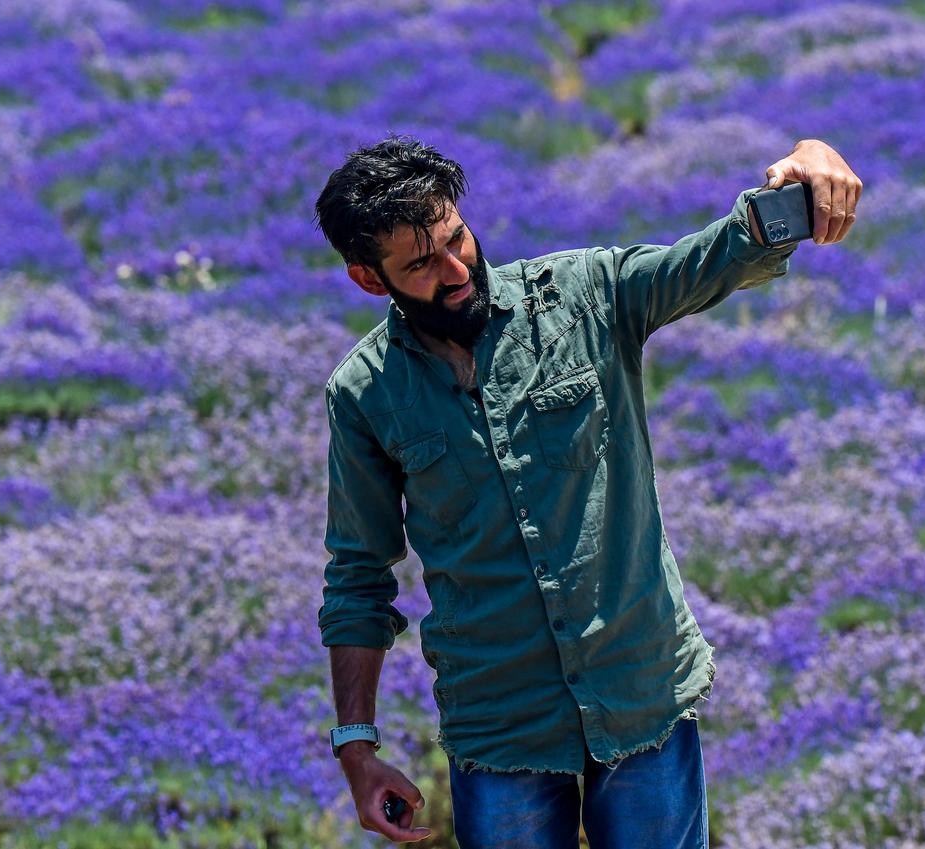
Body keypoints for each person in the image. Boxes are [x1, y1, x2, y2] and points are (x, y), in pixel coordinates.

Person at [314, 135, 861, 848]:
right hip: (500, 726)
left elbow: (714, 258)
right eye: (421, 264)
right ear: (368, 278)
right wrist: (356, 745)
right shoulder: (365, 393)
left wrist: (803, 177)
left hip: (640, 693)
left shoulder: (585, 297)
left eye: (457, 238)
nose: (456, 270)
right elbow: (358, 577)